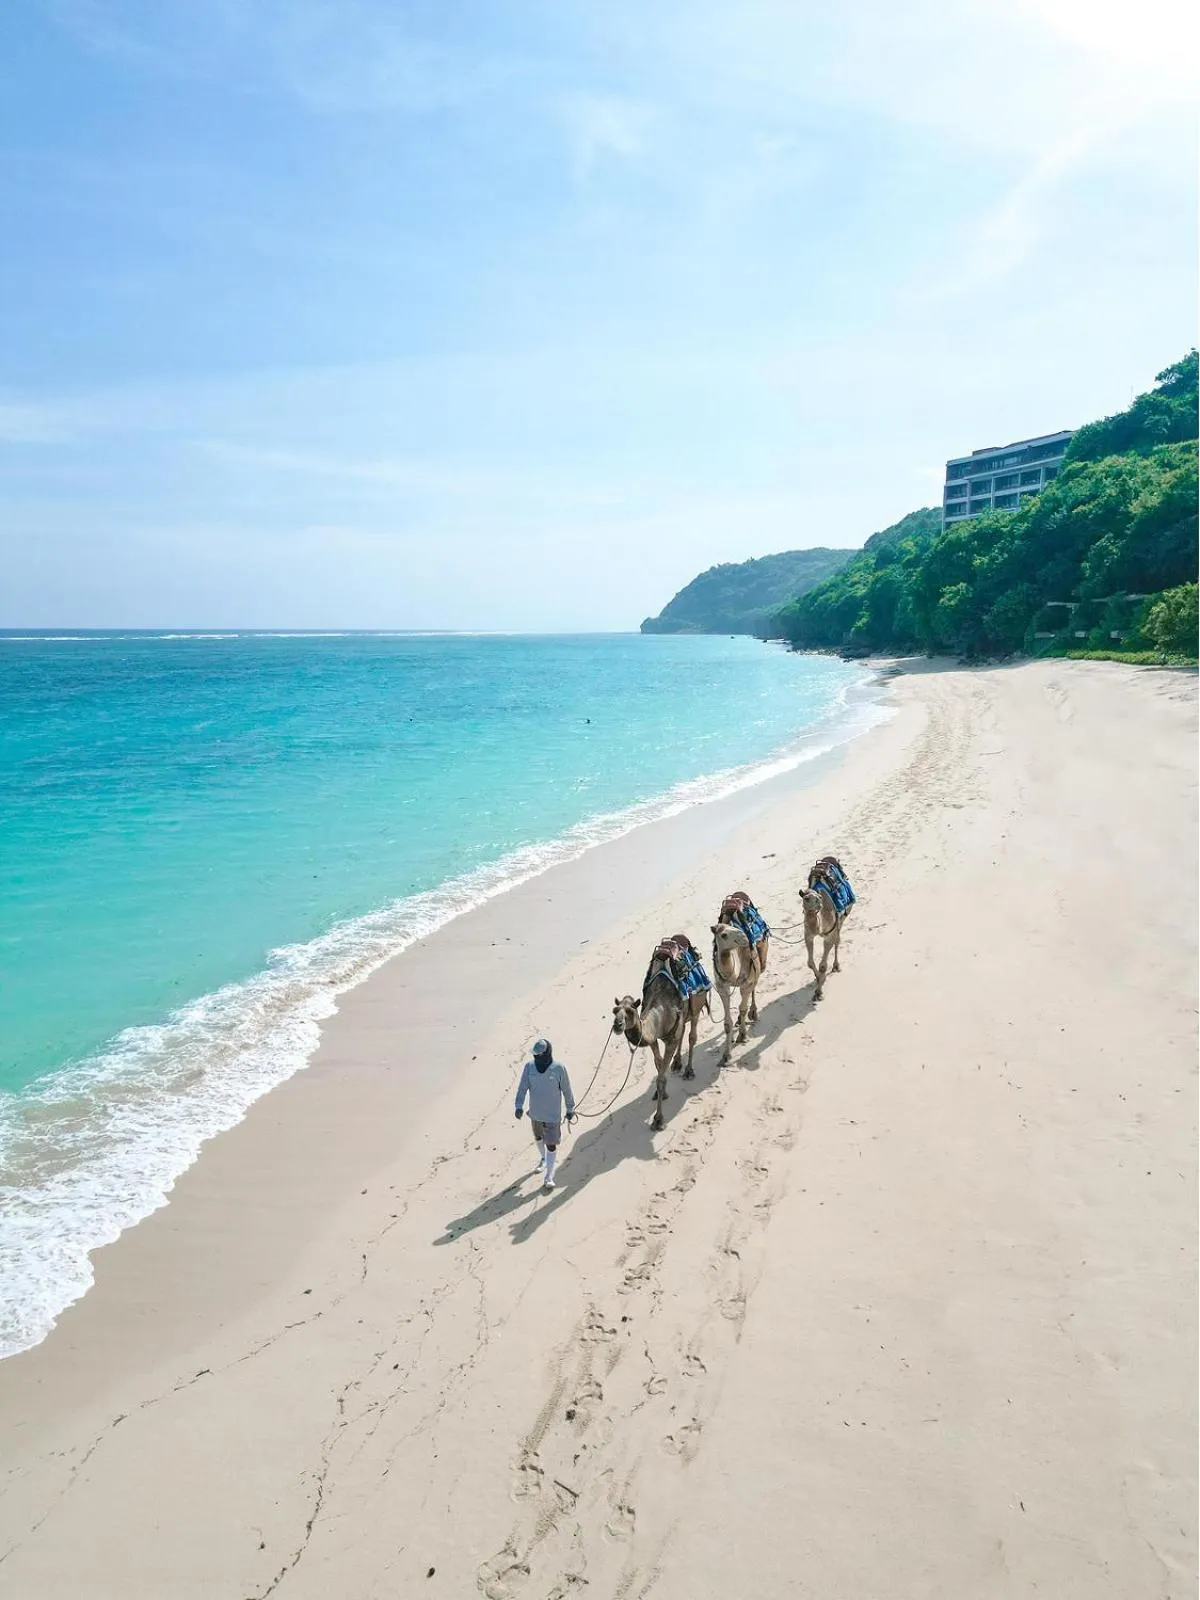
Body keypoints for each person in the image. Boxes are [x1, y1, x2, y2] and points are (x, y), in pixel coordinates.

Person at [514, 1037, 576, 1191]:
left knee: (551, 1145)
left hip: (552, 1117)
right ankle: (543, 1158)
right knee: (538, 1138)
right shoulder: (529, 1067)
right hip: (535, 1114)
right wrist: (518, 1106)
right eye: (534, 1055)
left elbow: (567, 1090)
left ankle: (549, 1177)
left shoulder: (559, 1068)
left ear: (547, 1054)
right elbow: (522, 1088)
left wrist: (570, 1108)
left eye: (538, 1055)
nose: (536, 1058)